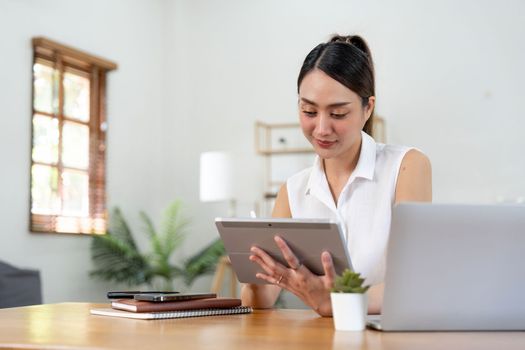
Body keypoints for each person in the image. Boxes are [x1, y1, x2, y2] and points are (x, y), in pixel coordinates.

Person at [240, 34, 432, 317]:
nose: (321, 128)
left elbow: (413, 285)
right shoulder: (293, 191)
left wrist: (336, 302)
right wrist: (254, 268)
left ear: (368, 108)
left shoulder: (406, 167)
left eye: (338, 113)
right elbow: (261, 298)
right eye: (308, 111)